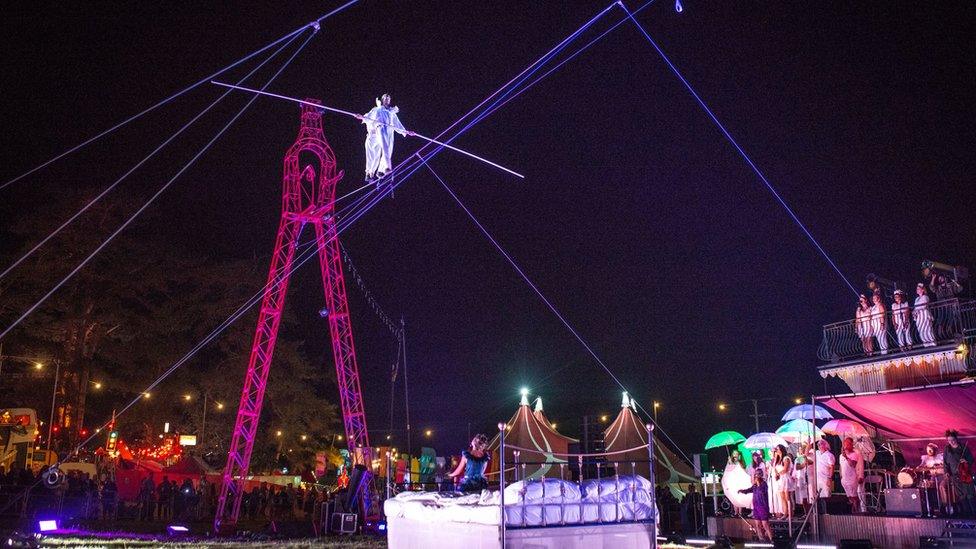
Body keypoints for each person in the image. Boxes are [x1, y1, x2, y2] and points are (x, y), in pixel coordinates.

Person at [356, 93, 415, 184]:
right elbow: (368, 117)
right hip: (379, 128)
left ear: (390, 100)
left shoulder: (392, 113)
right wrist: (361, 117)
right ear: (383, 100)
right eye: (385, 98)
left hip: (389, 131)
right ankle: (373, 172)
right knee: (378, 151)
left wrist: (407, 132)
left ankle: (381, 170)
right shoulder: (377, 109)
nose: (387, 99)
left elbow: (397, 125)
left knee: (388, 149)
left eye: (389, 98)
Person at [943, 430, 975, 517]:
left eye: (952, 440)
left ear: (956, 439)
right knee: (961, 496)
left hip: (965, 475)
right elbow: (945, 462)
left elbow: (971, 459)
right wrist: (946, 472)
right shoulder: (947, 449)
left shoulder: (963, 447)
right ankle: (966, 515)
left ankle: (974, 514)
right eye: (949, 440)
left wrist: (966, 460)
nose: (951, 442)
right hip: (955, 476)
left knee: (969, 495)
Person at [739, 469, 773, 542]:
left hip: (763, 507)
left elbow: (762, 493)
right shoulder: (754, 486)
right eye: (755, 475)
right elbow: (749, 490)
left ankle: (772, 540)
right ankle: (761, 539)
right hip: (756, 507)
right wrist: (742, 491)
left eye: (757, 475)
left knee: (765, 525)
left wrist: (758, 483)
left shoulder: (764, 484)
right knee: (757, 525)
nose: (755, 476)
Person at [918, 442, 947, 514]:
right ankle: (931, 507)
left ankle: (944, 506)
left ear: (935, 450)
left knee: (941, 487)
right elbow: (921, 466)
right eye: (928, 450)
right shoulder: (925, 458)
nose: (929, 451)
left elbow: (945, 465)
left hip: (942, 476)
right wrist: (919, 467)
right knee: (927, 488)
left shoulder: (940, 456)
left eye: (931, 450)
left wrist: (940, 465)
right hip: (933, 477)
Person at [839, 437, 865, 514]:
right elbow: (841, 466)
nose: (846, 446)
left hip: (852, 479)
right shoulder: (841, 456)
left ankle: (856, 510)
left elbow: (853, 464)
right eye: (845, 444)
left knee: (854, 496)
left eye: (848, 444)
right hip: (844, 479)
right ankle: (854, 509)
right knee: (849, 497)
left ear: (851, 444)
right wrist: (841, 476)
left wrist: (846, 457)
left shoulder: (855, 454)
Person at [770, 445, 794, 521]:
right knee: (782, 498)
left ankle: (790, 514)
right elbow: (775, 468)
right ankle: (785, 513)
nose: (776, 450)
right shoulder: (777, 459)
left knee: (787, 497)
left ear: (781, 450)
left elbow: (785, 469)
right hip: (780, 480)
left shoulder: (786, 458)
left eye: (777, 449)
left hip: (785, 479)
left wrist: (778, 474)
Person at [793, 442, 812, 517]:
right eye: (800, 449)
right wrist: (804, 463)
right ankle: (806, 513)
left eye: (802, 449)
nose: (800, 450)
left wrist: (805, 459)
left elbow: (811, 462)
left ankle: (810, 513)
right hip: (801, 479)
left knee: (808, 497)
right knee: (803, 498)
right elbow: (797, 467)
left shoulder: (807, 457)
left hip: (808, 479)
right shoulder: (798, 459)